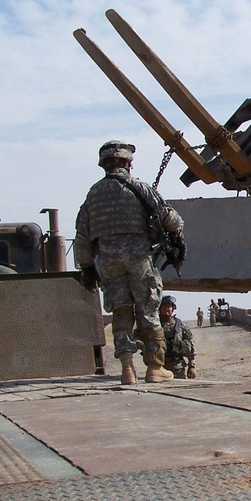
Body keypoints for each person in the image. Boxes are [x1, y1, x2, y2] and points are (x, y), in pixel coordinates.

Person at [74, 140, 184, 384]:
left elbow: (82, 236)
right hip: (139, 258)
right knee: (148, 309)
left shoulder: (92, 195)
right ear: (128, 163)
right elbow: (171, 220)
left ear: (103, 164)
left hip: (108, 261)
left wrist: (86, 267)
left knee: (121, 312)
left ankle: (127, 369)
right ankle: (155, 367)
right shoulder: (139, 188)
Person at [159, 295, 195, 379]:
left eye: (169, 307)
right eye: (164, 307)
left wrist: (192, 366)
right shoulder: (155, 325)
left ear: (173, 308)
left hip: (177, 367)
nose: (166, 309)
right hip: (159, 367)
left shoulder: (180, 325)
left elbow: (190, 343)